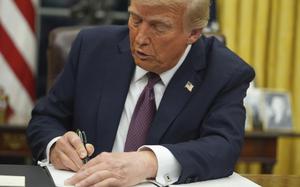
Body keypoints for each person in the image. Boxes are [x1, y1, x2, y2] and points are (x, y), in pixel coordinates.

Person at [27, 0, 255, 186]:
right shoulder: (92, 47)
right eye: (135, 19)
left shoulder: (225, 73)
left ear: (193, 33)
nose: (140, 39)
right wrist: (56, 145)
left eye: (158, 27)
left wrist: (149, 161)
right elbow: (45, 118)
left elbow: (224, 147)